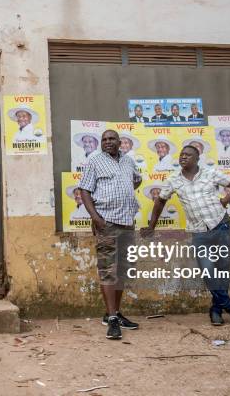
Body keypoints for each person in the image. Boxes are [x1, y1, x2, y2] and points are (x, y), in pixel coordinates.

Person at [141, 145, 230, 328]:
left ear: (197, 159)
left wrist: (225, 200)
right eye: (181, 154)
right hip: (199, 231)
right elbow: (160, 201)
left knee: (222, 269)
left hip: (221, 225)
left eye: (188, 155)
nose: (183, 157)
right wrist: (151, 226)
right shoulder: (174, 180)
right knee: (207, 271)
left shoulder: (210, 173)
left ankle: (215, 310)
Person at [78, 129, 142, 340]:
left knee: (123, 270)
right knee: (108, 270)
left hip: (127, 222)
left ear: (119, 142)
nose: (107, 142)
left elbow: (137, 180)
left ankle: (113, 313)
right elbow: (85, 190)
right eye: (104, 139)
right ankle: (112, 319)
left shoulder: (128, 161)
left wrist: (124, 191)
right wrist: (96, 218)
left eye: (111, 139)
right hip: (106, 223)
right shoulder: (94, 161)